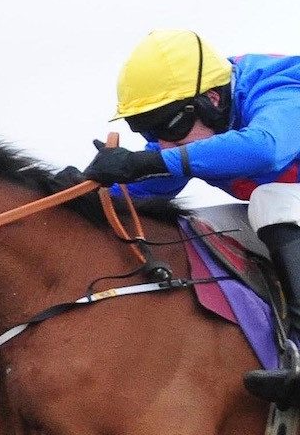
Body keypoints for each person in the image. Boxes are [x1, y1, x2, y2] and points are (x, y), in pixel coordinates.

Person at [80, 30, 300, 406]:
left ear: (212, 99)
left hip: (281, 201)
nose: (164, 143)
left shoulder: (280, 85)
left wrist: (145, 162)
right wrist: (84, 189)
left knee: (271, 200)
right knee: (192, 230)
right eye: (148, 130)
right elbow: (156, 182)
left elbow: (264, 149)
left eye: (170, 126)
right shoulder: (201, 119)